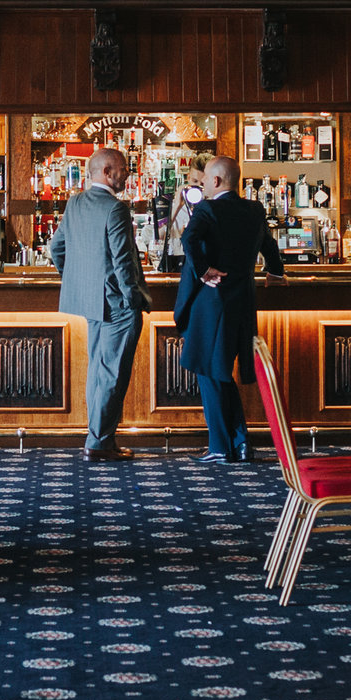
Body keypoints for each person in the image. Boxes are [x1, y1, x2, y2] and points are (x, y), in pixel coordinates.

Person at [174, 156, 285, 463]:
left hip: (213, 302)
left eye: (205, 179)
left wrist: (204, 270)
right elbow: (269, 244)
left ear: (217, 181)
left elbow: (187, 238)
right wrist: (275, 271)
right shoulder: (253, 209)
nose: (201, 184)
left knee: (209, 371)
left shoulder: (207, 209)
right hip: (244, 302)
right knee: (220, 370)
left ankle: (221, 447)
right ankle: (240, 440)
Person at [51, 146, 153, 462]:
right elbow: (123, 262)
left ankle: (99, 437)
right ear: (107, 172)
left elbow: (57, 249)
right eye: (123, 168)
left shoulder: (76, 203)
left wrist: (80, 279)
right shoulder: (115, 209)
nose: (128, 173)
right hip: (118, 303)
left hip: (92, 301)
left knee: (99, 370)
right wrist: (134, 299)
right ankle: (99, 442)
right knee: (112, 374)